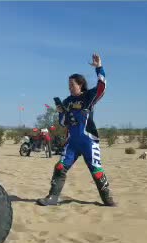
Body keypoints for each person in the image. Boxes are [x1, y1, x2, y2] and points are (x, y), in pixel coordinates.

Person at [37, 53, 116, 207]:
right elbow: (63, 123)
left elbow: (102, 88)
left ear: (80, 85)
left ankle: (108, 199)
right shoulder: (67, 101)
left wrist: (99, 67)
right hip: (72, 142)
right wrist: (61, 112)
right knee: (60, 167)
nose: (70, 87)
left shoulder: (88, 97)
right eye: (69, 85)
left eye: (72, 84)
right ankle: (53, 197)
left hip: (88, 141)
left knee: (96, 170)